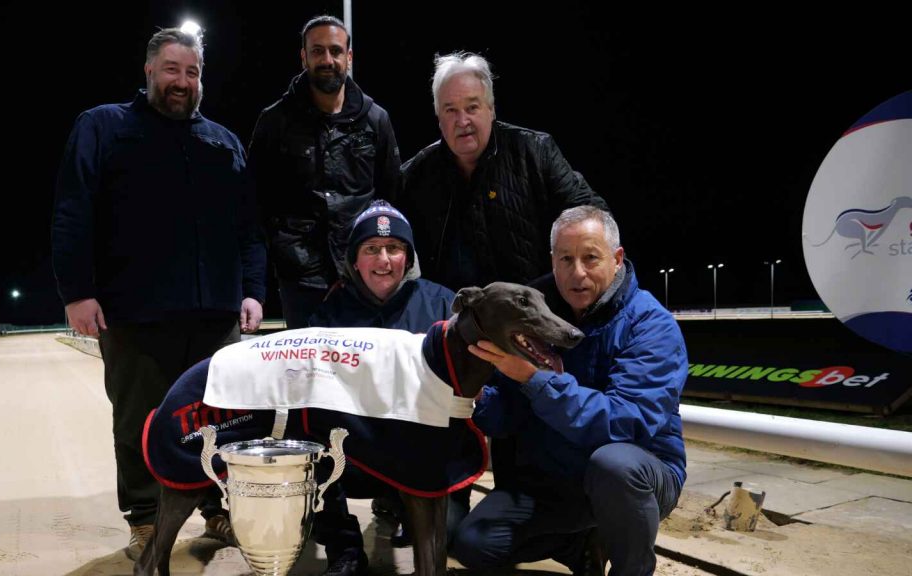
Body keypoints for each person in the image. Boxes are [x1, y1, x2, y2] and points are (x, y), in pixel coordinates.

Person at [51, 26, 266, 559]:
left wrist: (253, 291)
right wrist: (78, 292)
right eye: (172, 70)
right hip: (134, 312)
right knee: (140, 421)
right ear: (149, 71)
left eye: (192, 73)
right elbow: (73, 213)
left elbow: (248, 228)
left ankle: (216, 511)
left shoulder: (223, 141)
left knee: (222, 419)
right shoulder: (104, 127)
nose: (182, 81)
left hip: (215, 310)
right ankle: (145, 519)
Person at [453, 206, 687, 576]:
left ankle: (633, 568)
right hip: (556, 481)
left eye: (591, 257)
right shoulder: (532, 310)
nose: (576, 273)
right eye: (565, 259)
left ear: (617, 258)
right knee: (473, 543)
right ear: (553, 260)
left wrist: (534, 380)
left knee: (614, 466)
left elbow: (626, 423)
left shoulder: (651, 325)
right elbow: (505, 418)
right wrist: (477, 396)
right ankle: (582, 545)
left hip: (637, 473)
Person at [307, 201, 456, 575]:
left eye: (395, 248)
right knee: (306, 444)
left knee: (452, 531)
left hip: (423, 448)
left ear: (409, 257)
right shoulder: (331, 309)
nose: (384, 259)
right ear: (354, 260)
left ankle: (404, 508)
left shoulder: (442, 302)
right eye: (371, 249)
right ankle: (345, 549)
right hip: (353, 448)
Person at [398, 51, 608, 292]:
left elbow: (595, 217)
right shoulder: (415, 176)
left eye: (472, 107)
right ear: (438, 118)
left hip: (535, 309)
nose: (462, 120)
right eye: (450, 110)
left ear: (492, 109)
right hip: (455, 316)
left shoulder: (536, 152)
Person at [249, 15, 401, 328]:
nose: (327, 60)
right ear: (303, 57)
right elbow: (255, 204)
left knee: (363, 370)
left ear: (349, 56)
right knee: (307, 373)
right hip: (300, 280)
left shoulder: (376, 120)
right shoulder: (274, 122)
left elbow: (391, 198)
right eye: (317, 51)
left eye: (335, 51)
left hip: (362, 274)